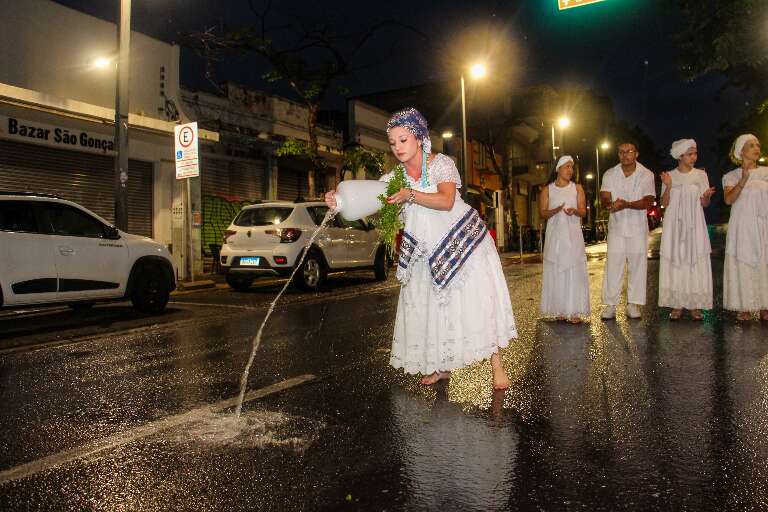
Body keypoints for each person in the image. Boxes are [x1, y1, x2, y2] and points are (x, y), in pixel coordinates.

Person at [324, 108, 518, 389]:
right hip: (424, 250)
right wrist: (337, 200)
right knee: (432, 307)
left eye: (403, 140)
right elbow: (368, 199)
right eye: (393, 143)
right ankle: (441, 367)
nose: (397, 147)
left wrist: (411, 195)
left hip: (461, 242)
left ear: (419, 138)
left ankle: (497, 367)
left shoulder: (442, 164)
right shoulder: (395, 177)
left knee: (476, 303)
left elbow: (447, 200)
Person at [599, 140, 656, 320]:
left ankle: (634, 304)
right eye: (621, 152)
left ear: (636, 153)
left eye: (629, 151)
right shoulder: (610, 173)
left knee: (638, 265)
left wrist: (626, 205)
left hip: (637, 227)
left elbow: (648, 200)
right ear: (618, 155)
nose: (625, 155)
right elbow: (604, 197)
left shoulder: (646, 174)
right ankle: (610, 305)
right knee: (613, 264)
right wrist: (610, 204)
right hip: (616, 225)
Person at [658, 139, 715, 320]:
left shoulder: (701, 175)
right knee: (677, 258)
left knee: (694, 258)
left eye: (695, 153)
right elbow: (664, 203)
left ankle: (694, 305)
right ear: (680, 156)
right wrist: (667, 186)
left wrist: (706, 197)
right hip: (674, 224)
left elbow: (704, 204)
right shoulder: (669, 175)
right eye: (690, 154)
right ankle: (676, 304)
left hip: (694, 224)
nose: (694, 157)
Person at [538, 155, 590, 323]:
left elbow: (583, 211)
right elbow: (542, 212)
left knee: (573, 269)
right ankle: (560, 309)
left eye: (572, 167)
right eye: (567, 167)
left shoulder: (577, 188)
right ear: (558, 168)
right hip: (555, 235)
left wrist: (573, 211)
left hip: (573, 234)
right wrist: (556, 210)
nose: (570, 170)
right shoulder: (547, 189)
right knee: (556, 268)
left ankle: (574, 311)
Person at [722, 134, 768, 321]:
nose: (757, 148)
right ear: (741, 151)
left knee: (764, 261)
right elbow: (728, 199)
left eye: (758, 145)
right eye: (751, 145)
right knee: (743, 260)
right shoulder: (730, 176)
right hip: (742, 225)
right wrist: (743, 180)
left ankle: (765, 305)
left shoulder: (766, 172)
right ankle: (744, 306)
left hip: (763, 223)